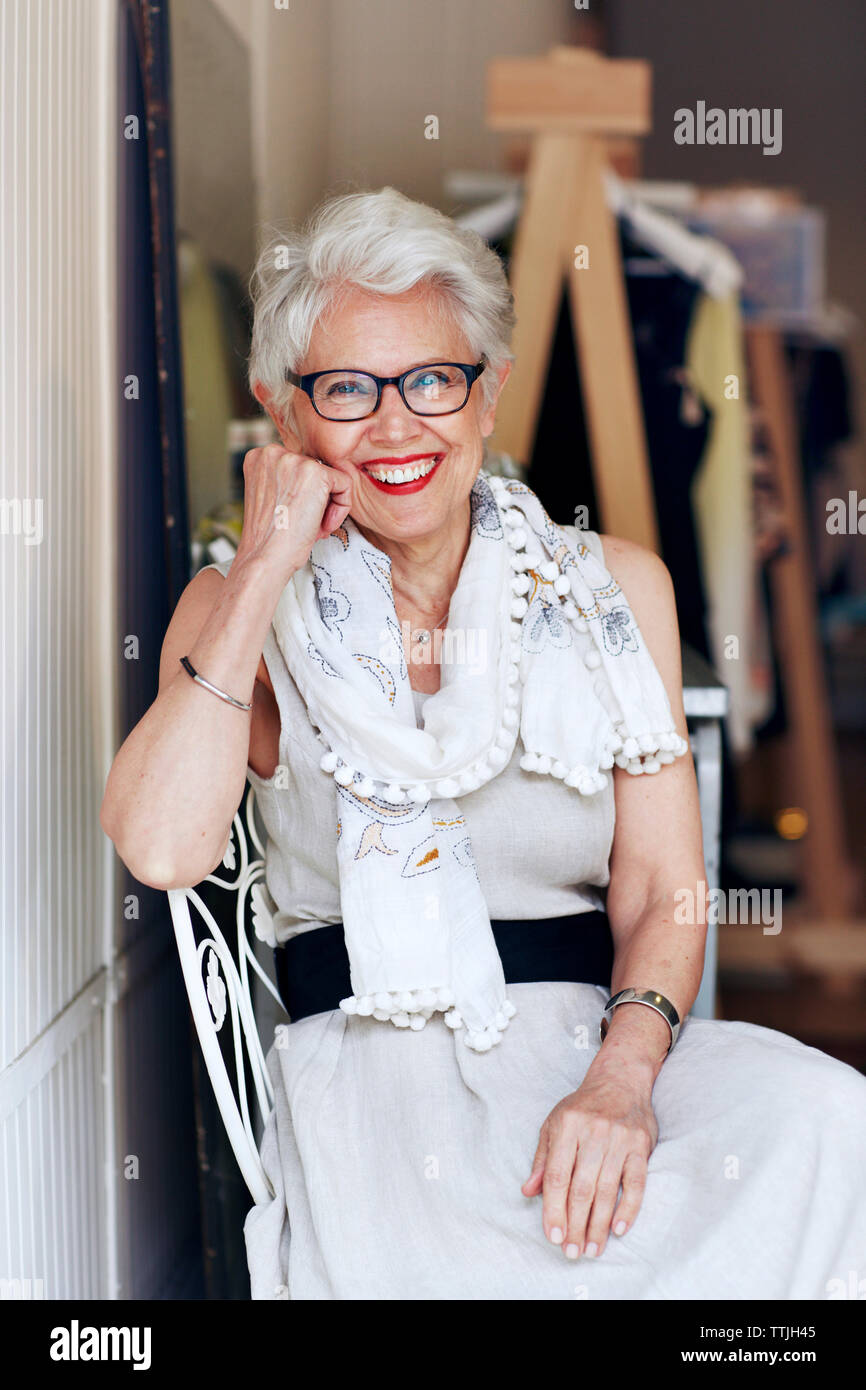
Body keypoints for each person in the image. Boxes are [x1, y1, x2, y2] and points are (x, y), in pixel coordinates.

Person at [101, 188, 866, 1301]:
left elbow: (663, 889)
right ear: (286, 417)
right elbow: (163, 848)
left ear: (488, 394)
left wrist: (619, 1081)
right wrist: (263, 564)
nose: (397, 424)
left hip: (594, 1051)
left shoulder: (614, 590)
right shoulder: (230, 612)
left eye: (431, 379)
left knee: (826, 1120)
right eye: (346, 390)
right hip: (382, 1074)